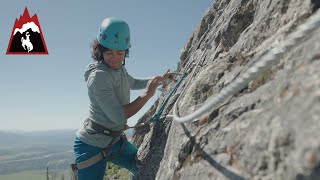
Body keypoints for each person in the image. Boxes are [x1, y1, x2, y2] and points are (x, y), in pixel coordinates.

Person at [72, 17, 170, 180]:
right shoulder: (99, 77)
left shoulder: (119, 69)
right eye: (109, 52)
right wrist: (147, 95)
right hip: (90, 145)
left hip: (114, 140)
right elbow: (118, 115)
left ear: (126, 52)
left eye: (120, 53)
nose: (115, 58)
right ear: (100, 51)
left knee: (141, 168)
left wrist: (158, 80)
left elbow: (133, 82)